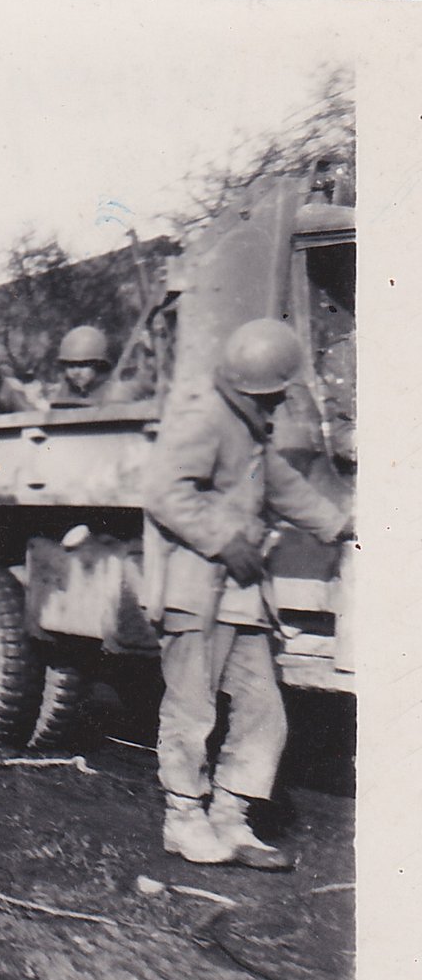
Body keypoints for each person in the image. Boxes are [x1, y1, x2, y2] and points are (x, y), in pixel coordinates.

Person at [142, 318, 352, 870]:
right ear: (255, 388)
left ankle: (231, 819)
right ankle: (184, 821)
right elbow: (163, 492)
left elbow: (281, 486)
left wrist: (340, 524)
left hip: (240, 596)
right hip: (194, 591)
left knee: (264, 710)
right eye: (275, 393)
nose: (280, 402)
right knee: (191, 710)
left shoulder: (249, 428)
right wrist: (222, 539)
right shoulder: (204, 418)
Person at [46, 326, 117, 407]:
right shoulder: (62, 393)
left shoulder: (114, 393)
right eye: (71, 366)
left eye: (82, 365)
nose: (76, 372)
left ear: (98, 365)